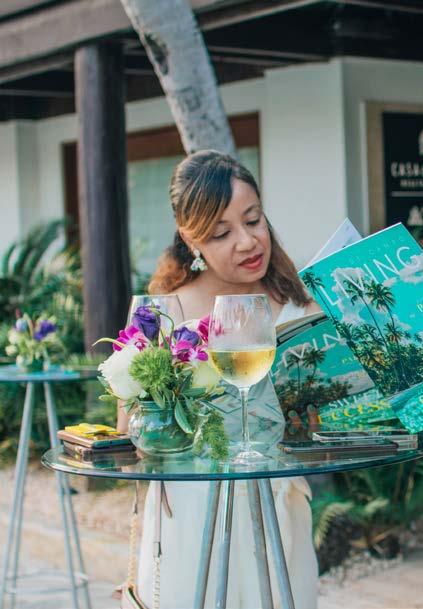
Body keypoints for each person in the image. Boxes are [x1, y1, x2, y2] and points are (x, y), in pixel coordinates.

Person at [128, 150, 321, 608]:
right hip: (191, 512)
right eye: (221, 233)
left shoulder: (301, 307)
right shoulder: (163, 313)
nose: (248, 242)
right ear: (190, 239)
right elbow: (132, 429)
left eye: (254, 220)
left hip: (278, 503)